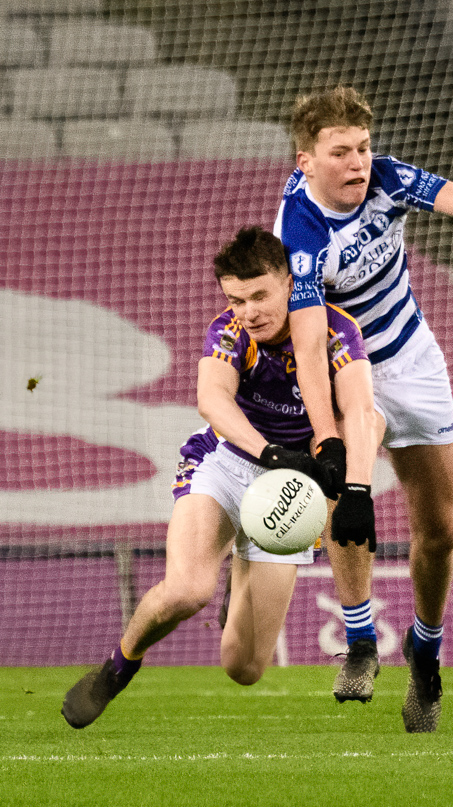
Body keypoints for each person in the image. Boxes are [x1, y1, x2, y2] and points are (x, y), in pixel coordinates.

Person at [273, 86, 453, 733]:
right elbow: (312, 347)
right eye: (339, 151)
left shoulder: (390, 180)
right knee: (350, 498)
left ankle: (425, 656)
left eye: (363, 147)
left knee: (442, 531)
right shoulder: (301, 230)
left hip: (415, 362)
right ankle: (362, 641)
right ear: (305, 162)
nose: (357, 162)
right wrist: (326, 439)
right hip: (350, 371)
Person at [61, 226, 380, 729]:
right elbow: (212, 399)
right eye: (236, 299)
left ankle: (243, 566)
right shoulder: (230, 332)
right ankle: (117, 668)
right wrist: (270, 452)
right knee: (188, 591)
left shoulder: (336, 330)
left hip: (290, 488)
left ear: (290, 286)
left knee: (245, 668)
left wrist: (356, 485)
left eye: (259, 296)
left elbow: (362, 407)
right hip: (227, 463)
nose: (249, 311)